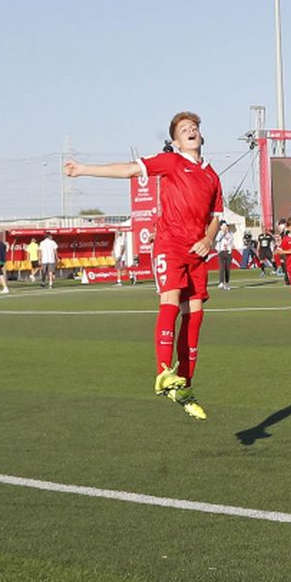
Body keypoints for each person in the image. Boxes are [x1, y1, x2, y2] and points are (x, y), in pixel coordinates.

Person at [65, 111, 220, 420]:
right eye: (183, 129)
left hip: (197, 253)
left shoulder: (212, 175)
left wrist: (209, 240)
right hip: (170, 246)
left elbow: (217, 216)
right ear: (176, 141)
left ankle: (183, 388)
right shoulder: (172, 162)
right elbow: (127, 171)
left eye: (194, 128)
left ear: (201, 137)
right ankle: (164, 372)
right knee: (171, 300)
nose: (190, 131)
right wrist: (83, 169)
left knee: (195, 319)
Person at [214, 222, 234, 290]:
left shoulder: (230, 234)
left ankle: (227, 283)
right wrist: (223, 232)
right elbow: (217, 239)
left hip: (228, 252)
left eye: (226, 227)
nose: (226, 228)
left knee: (227, 269)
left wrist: (230, 249)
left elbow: (231, 242)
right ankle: (221, 282)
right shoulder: (220, 233)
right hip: (221, 252)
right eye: (224, 226)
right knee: (221, 267)